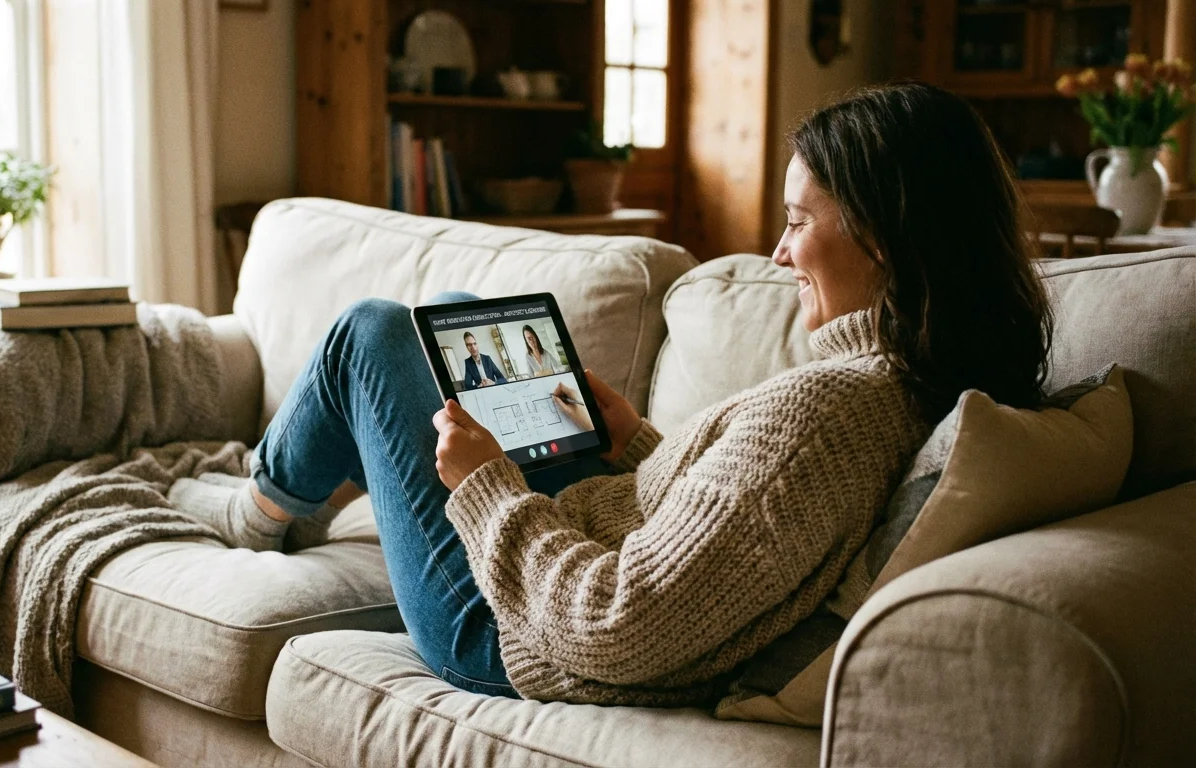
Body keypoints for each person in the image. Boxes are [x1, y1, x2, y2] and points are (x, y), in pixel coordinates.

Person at [166, 83, 1052, 706]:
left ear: (886, 238)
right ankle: (300, 491)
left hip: (505, 632)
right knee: (464, 318)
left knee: (370, 331)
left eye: (796, 222)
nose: (780, 256)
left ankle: (261, 510)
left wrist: (484, 491)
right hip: (585, 530)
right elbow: (744, 532)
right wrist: (634, 443)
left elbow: (619, 628)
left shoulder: (833, 411)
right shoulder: (915, 381)